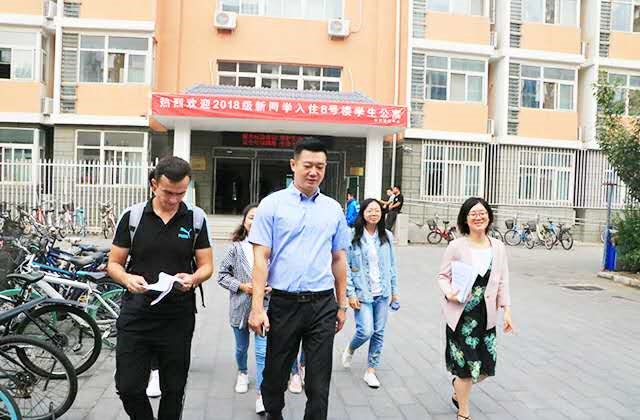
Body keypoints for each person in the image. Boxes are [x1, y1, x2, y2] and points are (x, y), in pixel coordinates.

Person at [247, 137, 351, 420]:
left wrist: (341, 304)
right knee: (274, 376)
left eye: (320, 166)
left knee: (319, 381)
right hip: (284, 303)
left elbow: (339, 259)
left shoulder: (333, 209)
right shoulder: (272, 205)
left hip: (322, 304)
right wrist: (257, 308)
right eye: (308, 165)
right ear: (294, 164)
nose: (314, 172)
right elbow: (260, 258)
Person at [108, 156, 214, 420]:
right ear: (154, 185)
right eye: (168, 192)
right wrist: (127, 279)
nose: (174, 199)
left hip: (177, 316)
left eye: (181, 193)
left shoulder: (195, 219)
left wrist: (193, 279)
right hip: (137, 314)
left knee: (173, 389)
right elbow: (114, 264)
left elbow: (207, 266)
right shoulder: (133, 217)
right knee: (128, 387)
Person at [436, 197, 514, 420]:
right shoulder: (456, 246)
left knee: (486, 368)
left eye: (482, 213)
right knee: (466, 369)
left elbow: (503, 281)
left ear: (489, 216)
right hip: (462, 317)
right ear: (466, 219)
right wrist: (449, 292)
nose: (478, 217)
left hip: (486, 316)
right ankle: (464, 413)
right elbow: (442, 276)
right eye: (473, 214)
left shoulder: (498, 247)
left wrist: (507, 310)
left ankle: (458, 388)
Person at [341, 198, 400, 389]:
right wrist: (350, 294)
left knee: (379, 332)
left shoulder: (387, 236)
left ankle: (371, 371)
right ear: (363, 213)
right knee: (366, 331)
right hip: (362, 293)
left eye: (377, 211)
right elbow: (346, 267)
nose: (374, 214)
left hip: (382, 292)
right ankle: (351, 347)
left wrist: (395, 292)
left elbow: (392, 265)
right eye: (370, 210)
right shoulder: (351, 235)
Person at [216, 203, 268, 414]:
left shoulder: (272, 248)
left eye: (259, 217)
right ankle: (243, 372)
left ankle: (262, 394)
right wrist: (242, 286)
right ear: (244, 221)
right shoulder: (235, 248)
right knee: (241, 348)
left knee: (262, 351)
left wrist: (271, 287)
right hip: (240, 308)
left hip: (265, 308)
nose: (255, 221)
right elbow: (222, 276)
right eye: (251, 217)